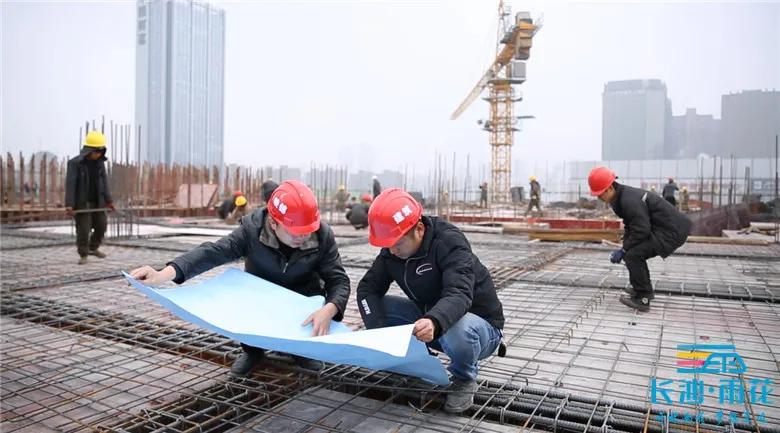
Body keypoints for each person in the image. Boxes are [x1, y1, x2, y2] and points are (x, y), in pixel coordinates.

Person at [130, 180, 351, 377]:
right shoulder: (251, 230)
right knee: (244, 295)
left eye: (307, 230)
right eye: (295, 231)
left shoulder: (322, 236)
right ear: (273, 223)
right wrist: (163, 274)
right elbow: (211, 253)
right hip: (259, 296)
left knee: (312, 307)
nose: (302, 237)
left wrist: (330, 308)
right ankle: (252, 351)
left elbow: (338, 280)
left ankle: (300, 350)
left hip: (302, 299)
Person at [356, 188, 504, 413]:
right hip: (430, 321)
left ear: (419, 229)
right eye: (387, 245)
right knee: (380, 308)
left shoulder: (449, 242)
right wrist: (380, 333)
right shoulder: (391, 251)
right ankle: (418, 361)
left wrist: (434, 321)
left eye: (397, 243)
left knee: (458, 328)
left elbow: (459, 293)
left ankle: (464, 378)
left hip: (478, 329)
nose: (392, 251)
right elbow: (367, 289)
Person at [588, 167, 692, 312]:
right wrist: (624, 247)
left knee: (634, 255)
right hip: (664, 228)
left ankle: (643, 297)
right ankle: (640, 288)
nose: (599, 198)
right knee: (632, 252)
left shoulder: (628, 200)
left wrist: (624, 250)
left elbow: (641, 230)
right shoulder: (621, 198)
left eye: (600, 195)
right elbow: (631, 226)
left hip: (671, 231)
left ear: (610, 188)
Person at [65, 130, 115, 265]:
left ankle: (93, 247)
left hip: (99, 201)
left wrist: (109, 200)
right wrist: (69, 204)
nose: (98, 154)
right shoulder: (75, 164)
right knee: (84, 229)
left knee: (102, 225)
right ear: (88, 151)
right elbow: (70, 184)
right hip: (83, 202)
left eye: (100, 152)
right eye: (96, 151)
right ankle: (83, 253)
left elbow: (104, 182)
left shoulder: (99, 163)